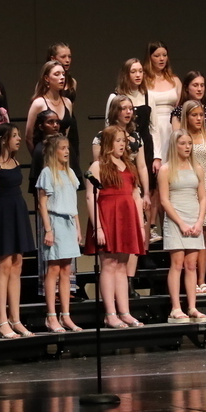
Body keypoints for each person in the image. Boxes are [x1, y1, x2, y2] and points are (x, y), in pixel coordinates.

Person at [83, 125, 145, 329]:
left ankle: (124, 312)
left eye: (124, 141)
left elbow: (136, 195)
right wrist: (98, 228)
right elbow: (91, 197)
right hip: (108, 218)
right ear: (109, 144)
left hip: (126, 219)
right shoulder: (98, 166)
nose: (122, 144)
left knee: (122, 265)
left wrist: (141, 225)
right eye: (118, 140)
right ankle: (110, 314)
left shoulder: (128, 165)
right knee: (109, 265)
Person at [0, 124, 36, 338]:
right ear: (3, 139)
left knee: (17, 265)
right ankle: (1, 320)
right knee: (3, 267)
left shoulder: (14, 162)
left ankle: (16, 319)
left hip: (17, 214)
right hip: (2, 218)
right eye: (14, 136)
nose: (19, 139)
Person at [95, 96, 151, 300]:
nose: (128, 112)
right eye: (123, 108)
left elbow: (142, 166)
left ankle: (128, 283)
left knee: (131, 242)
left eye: (130, 108)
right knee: (111, 259)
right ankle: (111, 302)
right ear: (115, 111)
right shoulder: (102, 137)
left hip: (131, 191)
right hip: (113, 198)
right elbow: (100, 170)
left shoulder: (136, 136)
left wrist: (145, 192)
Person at [159, 129, 206, 324]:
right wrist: (180, 223)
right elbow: (164, 200)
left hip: (194, 218)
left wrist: (199, 222)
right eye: (183, 143)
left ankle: (192, 307)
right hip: (175, 219)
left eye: (189, 143)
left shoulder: (197, 168)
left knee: (191, 265)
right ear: (174, 145)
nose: (187, 147)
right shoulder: (166, 169)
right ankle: (176, 308)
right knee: (177, 264)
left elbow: (203, 197)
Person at [36, 134, 83, 333]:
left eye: (67, 148)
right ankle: (51, 316)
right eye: (62, 148)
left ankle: (66, 315)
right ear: (54, 151)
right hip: (55, 223)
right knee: (53, 269)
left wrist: (78, 227)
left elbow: (73, 203)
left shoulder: (70, 172)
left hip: (69, 223)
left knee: (66, 270)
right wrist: (48, 229)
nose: (66, 152)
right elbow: (42, 204)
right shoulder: (47, 173)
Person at [111, 58, 160, 241]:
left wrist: (157, 156)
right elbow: (109, 126)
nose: (138, 75)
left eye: (140, 71)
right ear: (126, 74)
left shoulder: (149, 95)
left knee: (148, 192)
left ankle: (146, 239)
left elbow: (154, 128)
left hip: (145, 146)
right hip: (123, 149)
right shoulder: (115, 96)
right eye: (134, 71)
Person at [179, 100, 206, 295]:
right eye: (194, 115)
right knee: (191, 237)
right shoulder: (181, 138)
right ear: (186, 117)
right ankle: (191, 280)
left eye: (201, 115)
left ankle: (202, 280)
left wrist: (204, 187)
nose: (198, 118)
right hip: (187, 188)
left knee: (205, 236)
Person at [25, 60, 82, 187]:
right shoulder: (39, 103)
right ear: (47, 78)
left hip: (64, 155)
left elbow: (65, 135)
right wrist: (39, 157)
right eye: (57, 74)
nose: (62, 77)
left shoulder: (67, 102)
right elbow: (28, 137)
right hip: (45, 156)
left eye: (63, 74)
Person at [145, 41, 182, 154]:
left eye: (164, 55)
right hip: (152, 125)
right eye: (157, 56)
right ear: (150, 58)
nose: (162, 59)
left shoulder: (175, 80)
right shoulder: (144, 80)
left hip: (171, 125)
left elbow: (178, 108)